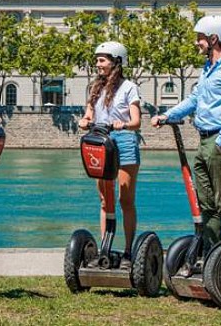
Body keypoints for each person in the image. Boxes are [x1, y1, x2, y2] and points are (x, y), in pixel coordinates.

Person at [151, 15, 221, 255]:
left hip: (220, 141)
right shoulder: (207, 69)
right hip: (204, 139)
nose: (197, 43)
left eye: (200, 38)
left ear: (214, 39)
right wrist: (168, 116)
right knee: (208, 205)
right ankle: (212, 256)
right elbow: (195, 99)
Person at [78, 41, 142, 270]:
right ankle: (104, 250)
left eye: (102, 60)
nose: (98, 64)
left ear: (117, 62)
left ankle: (127, 252)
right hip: (101, 142)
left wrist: (122, 124)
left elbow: (136, 121)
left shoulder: (128, 88)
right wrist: (84, 121)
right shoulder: (94, 88)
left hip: (124, 142)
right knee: (105, 201)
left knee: (125, 200)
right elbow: (89, 114)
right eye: (97, 59)